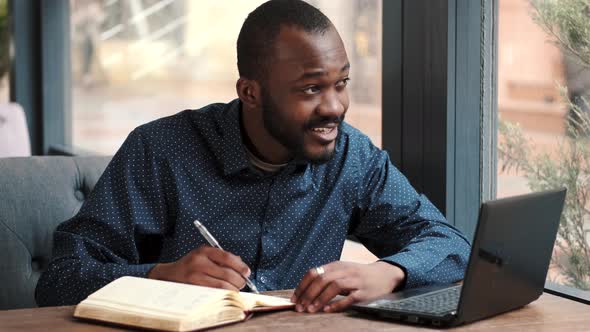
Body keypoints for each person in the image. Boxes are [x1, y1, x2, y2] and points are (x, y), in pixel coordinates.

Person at [36, 0, 470, 313]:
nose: (335, 106)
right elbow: (59, 279)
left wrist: (391, 272)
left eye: (341, 83)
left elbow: (451, 245)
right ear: (250, 92)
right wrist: (159, 275)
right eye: (311, 88)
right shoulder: (160, 150)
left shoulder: (351, 156)